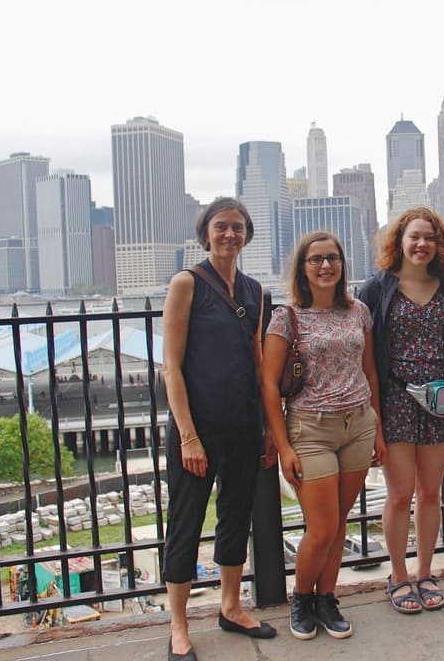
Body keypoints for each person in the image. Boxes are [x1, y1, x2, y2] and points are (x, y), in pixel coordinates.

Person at [162, 198, 277, 661]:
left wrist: (268, 426)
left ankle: (231, 607)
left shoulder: (253, 290)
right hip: (199, 426)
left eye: (237, 227)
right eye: (221, 226)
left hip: (243, 423)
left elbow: (256, 361)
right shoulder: (186, 284)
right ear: (205, 232)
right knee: (186, 521)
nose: (230, 234)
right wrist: (188, 435)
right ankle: (178, 625)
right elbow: (171, 367)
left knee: (236, 515)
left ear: (247, 235)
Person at [262, 232, 386, 641]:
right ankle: (302, 597)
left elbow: (370, 372)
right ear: (302, 268)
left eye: (332, 258)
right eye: (316, 259)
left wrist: (378, 431)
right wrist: (283, 446)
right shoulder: (287, 317)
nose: (325, 266)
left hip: (358, 424)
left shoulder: (359, 311)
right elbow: (268, 384)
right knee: (322, 527)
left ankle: (327, 598)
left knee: (339, 524)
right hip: (310, 429)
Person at [358, 207, 444, 614]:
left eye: (429, 237)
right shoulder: (376, 289)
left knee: (430, 492)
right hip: (396, 399)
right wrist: (372, 416)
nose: (422, 244)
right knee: (400, 492)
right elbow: (367, 358)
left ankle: (425, 572)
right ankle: (398, 575)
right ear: (399, 242)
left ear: (438, 244)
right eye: (414, 237)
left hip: (441, 398)